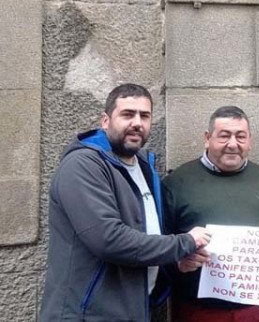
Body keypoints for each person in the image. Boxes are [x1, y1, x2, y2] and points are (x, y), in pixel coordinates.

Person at [40, 84, 211, 322]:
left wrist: (175, 263)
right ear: (105, 120)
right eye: (128, 114)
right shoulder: (82, 166)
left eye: (145, 115)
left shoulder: (143, 168)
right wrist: (184, 243)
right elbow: (109, 239)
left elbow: (145, 236)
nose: (137, 123)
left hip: (134, 311)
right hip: (86, 315)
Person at [162, 105, 259, 321]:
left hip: (258, 311)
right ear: (207, 138)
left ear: (250, 140)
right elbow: (158, 244)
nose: (233, 144)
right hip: (199, 311)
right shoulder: (176, 183)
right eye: (224, 136)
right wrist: (178, 262)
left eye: (241, 137)